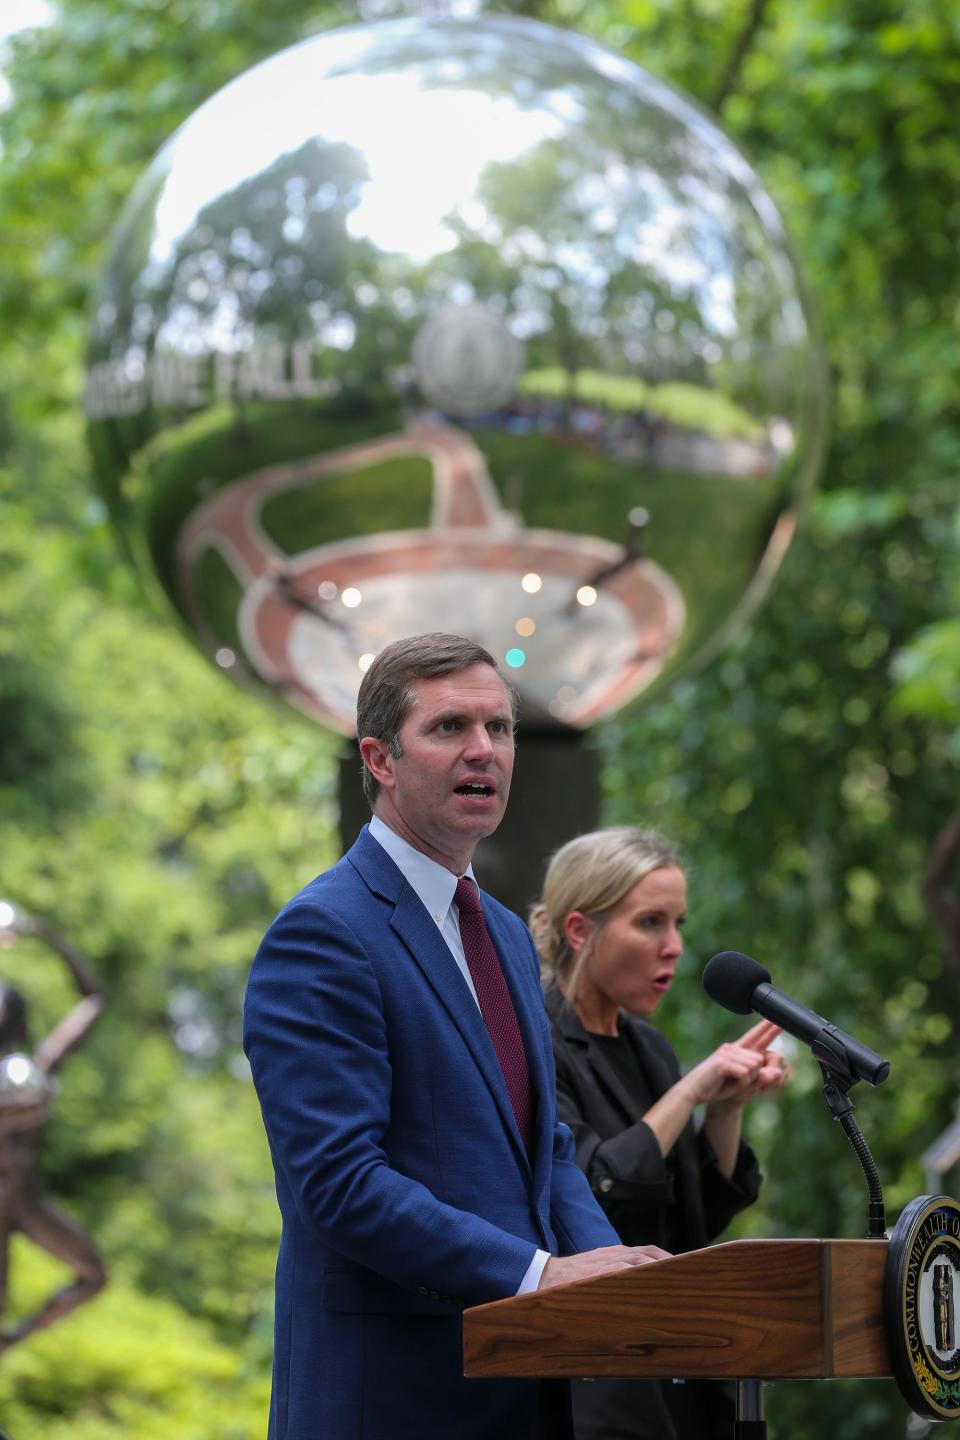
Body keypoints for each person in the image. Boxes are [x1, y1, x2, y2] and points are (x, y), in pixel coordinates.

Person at [243, 634, 666, 1440]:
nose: (484, 751)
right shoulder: (324, 933)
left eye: (499, 729)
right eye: (448, 729)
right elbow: (338, 1183)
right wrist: (538, 1275)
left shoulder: (505, 934)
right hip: (394, 1399)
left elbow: (544, 1151)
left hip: (525, 1392)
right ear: (380, 758)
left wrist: (616, 1284)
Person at [530, 827, 788, 1440]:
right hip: (597, 1380)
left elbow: (696, 1221)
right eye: (650, 923)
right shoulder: (535, 1040)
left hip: (681, 1371)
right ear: (579, 931)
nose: (673, 948)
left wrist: (724, 1109)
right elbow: (594, 1190)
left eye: (678, 924)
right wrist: (690, 1093)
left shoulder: (648, 1048)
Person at [0, 905, 107, 1352]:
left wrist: (45, 934)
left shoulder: (37, 1069)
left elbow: (93, 1001)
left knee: (92, 1274)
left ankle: (14, 1338)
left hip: (25, 1203)